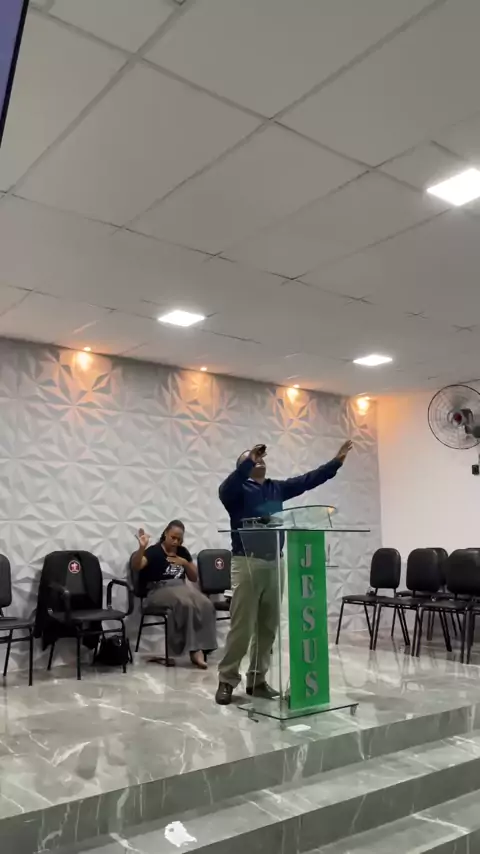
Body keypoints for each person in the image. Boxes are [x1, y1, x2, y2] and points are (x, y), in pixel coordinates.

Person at [215, 440, 352, 705]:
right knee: (242, 628)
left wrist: (336, 462)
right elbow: (225, 488)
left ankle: (257, 680)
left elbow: (307, 481)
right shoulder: (236, 491)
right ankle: (227, 680)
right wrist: (249, 460)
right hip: (247, 563)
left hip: (275, 562)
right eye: (253, 459)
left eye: (261, 458)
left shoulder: (276, 488)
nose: (260, 460)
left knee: (267, 628)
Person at [131, 520, 217, 669]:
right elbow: (136, 566)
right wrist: (142, 548)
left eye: (179, 539)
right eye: (173, 537)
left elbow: (194, 577)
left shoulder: (182, 552)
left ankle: (204, 647)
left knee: (206, 603)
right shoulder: (154, 551)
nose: (176, 542)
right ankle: (194, 651)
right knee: (185, 603)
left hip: (180, 588)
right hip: (157, 591)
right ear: (165, 534)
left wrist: (185, 563)